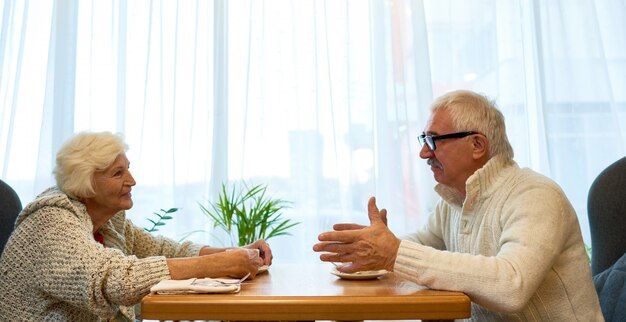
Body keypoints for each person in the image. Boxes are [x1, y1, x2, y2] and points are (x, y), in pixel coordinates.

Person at [313, 90, 604, 321]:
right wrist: (378, 249)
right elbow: (419, 247)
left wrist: (393, 253)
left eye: (433, 140)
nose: (423, 152)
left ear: (477, 145)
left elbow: (511, 285)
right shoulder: (454, 200)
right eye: (423, 139)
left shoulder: (535, 194)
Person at [0, 131, 272, 321]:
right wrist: (220, 265)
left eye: (127, 168)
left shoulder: (106, 219)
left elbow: (164, 250)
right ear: (86, 183)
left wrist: (235, 253)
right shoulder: (51, 221)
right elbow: (117, 280)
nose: (132, 180)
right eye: (118, 173)